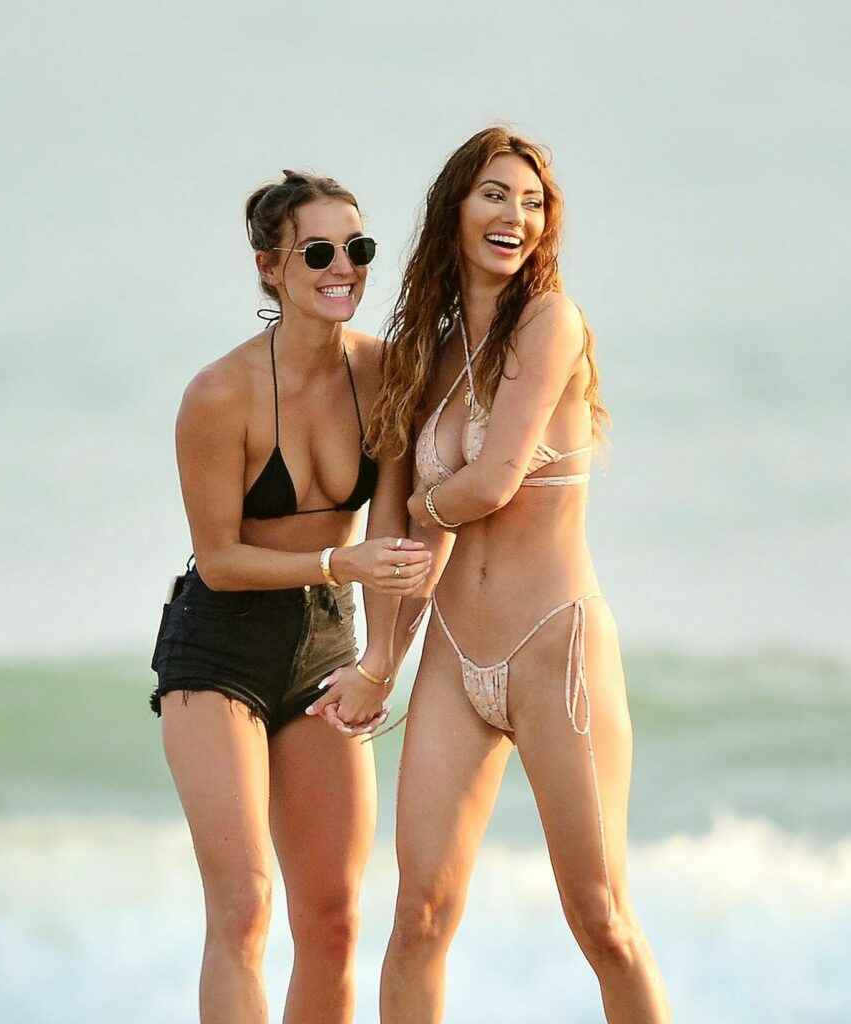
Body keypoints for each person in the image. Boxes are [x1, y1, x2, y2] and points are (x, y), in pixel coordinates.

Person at [313, 128, 672, 1022]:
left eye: (532, 202)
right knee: (417, 917)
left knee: (601, 921)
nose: (516, 215)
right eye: (495, 194)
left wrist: (424, 506)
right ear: (455, 210)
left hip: (556, 648)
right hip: (455, 656)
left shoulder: (551, 323)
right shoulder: (425, 355)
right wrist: (378, 663)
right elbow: (391, 527)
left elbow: (492, 482)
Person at [148, 169, 432, 1024]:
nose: (342, 267)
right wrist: (338, 563)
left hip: (323, 647)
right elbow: (219, 559)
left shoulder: (385, 373)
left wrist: (381, 662)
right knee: (243, 908)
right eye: (317, 252)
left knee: (335, 920)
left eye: (357, 248)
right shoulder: (219, 394)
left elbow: (392, 534)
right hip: (218, 649)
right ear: (271, 267)